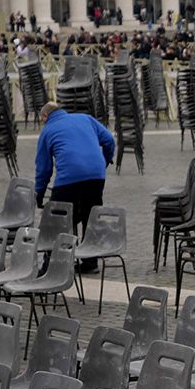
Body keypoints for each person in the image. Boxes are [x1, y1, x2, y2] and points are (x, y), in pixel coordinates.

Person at [34, 101, 118, 271]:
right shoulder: (86, 118)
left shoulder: (47, 130)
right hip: (96, 176)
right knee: (90, 216)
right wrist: (105, 161)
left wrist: (40, 193)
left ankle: (51, 265)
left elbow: (44, 168)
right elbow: (109, 140)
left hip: (68, 178)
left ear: (45, 116)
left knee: (56, 219)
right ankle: (90, 263)